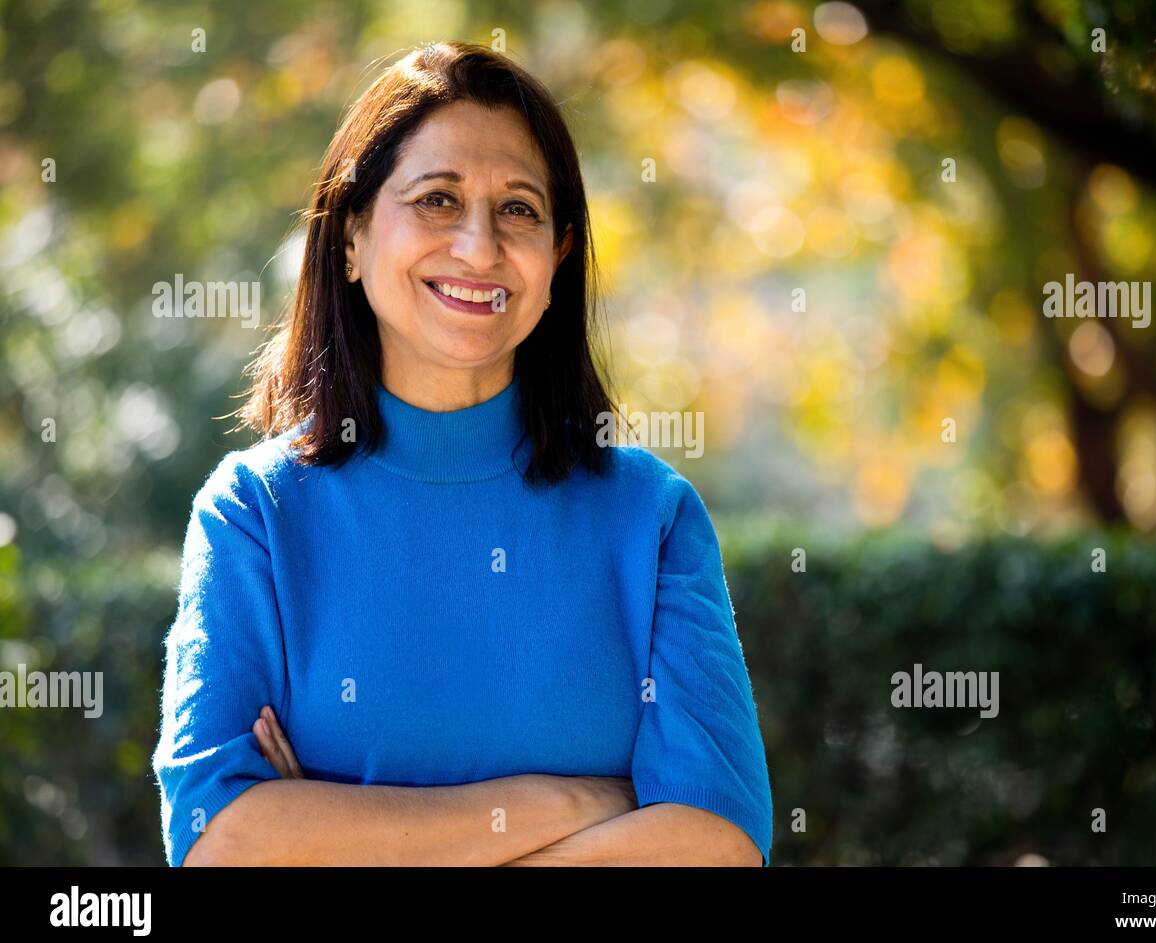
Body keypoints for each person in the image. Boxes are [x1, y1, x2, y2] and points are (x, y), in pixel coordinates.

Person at [151, 41, 772, 866]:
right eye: (437, 200)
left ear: (557, 255)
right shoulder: (256, 516)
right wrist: (576, 803)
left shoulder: (649, 519)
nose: (479, 249)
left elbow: (717, 842)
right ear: (351, 236)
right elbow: (220, 841)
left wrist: (333, 834)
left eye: (519, 209)